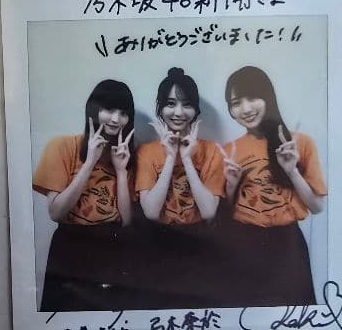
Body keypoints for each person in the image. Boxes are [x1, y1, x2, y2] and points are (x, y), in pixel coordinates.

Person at [217, 65, 327, 306]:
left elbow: (317, 206)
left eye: (252, 97)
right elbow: (224, 213)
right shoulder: (228, 151)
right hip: (244, 244)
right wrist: (232, 185)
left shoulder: (299, 143)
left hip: (287, 245)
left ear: (267, 97)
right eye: (236, 102)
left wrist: (292, 171)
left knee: (294, 318)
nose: (246, 108)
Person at [32, 79, 137, 312]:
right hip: (70, 246)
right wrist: (90, 161)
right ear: (93, 109)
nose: (116, 119)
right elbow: (56, 212)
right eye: (109, 109)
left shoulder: (125, 154)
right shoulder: (62, 146)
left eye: (123, 113)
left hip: (112, 247)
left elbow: (127, 220)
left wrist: (121, 171)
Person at [135, 67, 225, 306]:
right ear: (160, 108)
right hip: (158, 245)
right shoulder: (146, 152)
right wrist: (169, 158)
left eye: (186, 104)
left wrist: (186, 158)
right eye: (170, 104)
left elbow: (208, 211)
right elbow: (151, 212)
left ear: (196, 110)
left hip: (200, 244)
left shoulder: (211, 151)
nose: (178, 112)